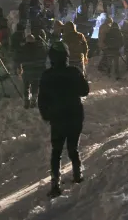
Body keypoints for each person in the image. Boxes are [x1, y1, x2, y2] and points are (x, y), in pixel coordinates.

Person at [38, 41, 90, 198]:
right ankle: (77, 174)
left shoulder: (47, 75)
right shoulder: (73, 72)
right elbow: (85, 91)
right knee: (73, 147)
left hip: (57, 117)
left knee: (57, 151)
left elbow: (42, 99)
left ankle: (55, 183)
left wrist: (46, 115)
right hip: (74, 114)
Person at [18, 34, 47, 109]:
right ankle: (33, 100)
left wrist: (19, 68)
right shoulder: (39, 48)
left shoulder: (23, 48)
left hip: (26, 71)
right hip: (37, 71)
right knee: (35, 86)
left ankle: (26, 100)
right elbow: (44, 58)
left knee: (26, 86)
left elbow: (18, 59)